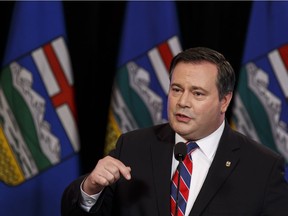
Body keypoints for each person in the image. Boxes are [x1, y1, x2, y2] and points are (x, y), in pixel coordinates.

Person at [61, 47, 288, 216]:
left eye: (197, 93)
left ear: (224, 101)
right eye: (176, 89)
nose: (183, 102)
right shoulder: (133, 146)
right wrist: (90, 189)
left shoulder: (262, 168)